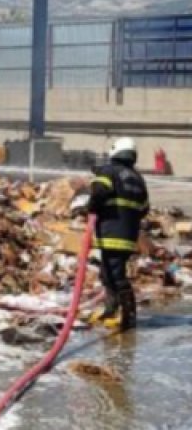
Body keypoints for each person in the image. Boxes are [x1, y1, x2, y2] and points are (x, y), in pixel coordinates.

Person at [80, 137, 148, 332]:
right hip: (128, 236)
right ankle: (111, 310)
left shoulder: (109, 171)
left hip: (111, 233)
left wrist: (89, 208)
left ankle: (129, 317)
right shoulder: (138, 178)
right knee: (107, 273)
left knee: (116, 276)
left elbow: (98, 192)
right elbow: (144, 208)